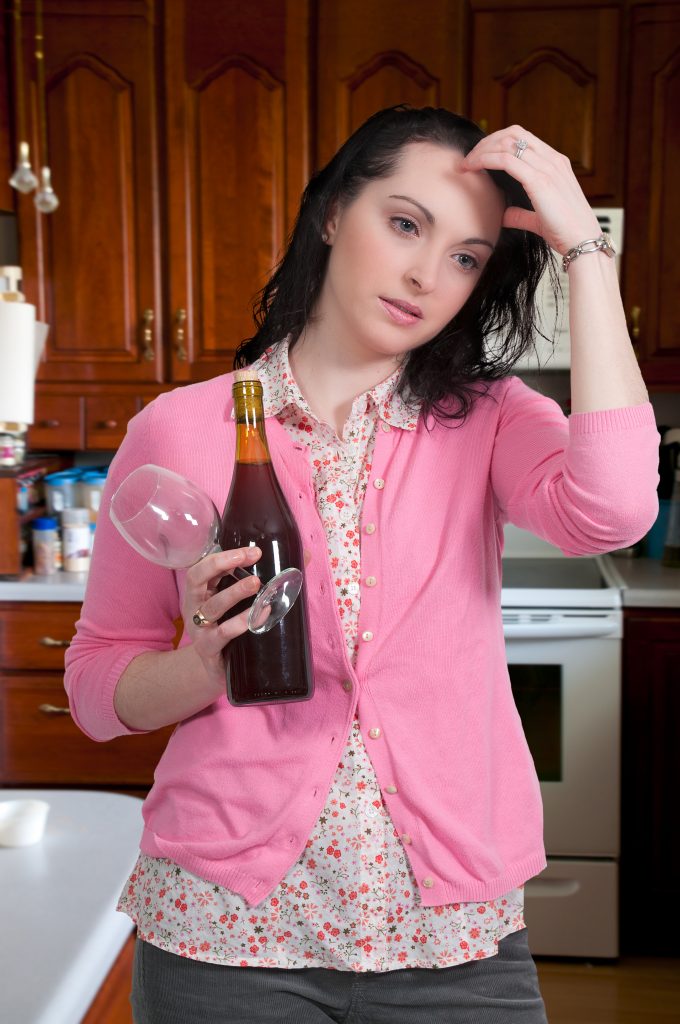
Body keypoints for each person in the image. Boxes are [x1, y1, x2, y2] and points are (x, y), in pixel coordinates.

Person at [64, 105, 659, 1023]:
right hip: (223, 934)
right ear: (334, 212)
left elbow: (615, 510)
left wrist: (586, 249)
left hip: (453, 936)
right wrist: (196, 666)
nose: (427, 274)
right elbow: (98, 688)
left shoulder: (493, 417)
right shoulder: (181, 428)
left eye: (466, 256)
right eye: (406, 223)